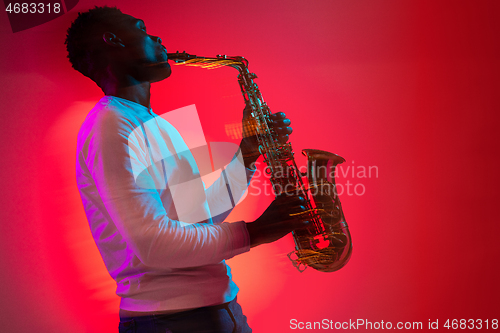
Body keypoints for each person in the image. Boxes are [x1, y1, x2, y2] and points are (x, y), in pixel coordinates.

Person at [66, 6, 307, 333]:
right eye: (143, 29)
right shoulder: (110, 126)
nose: (158, 38)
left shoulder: (155, 125)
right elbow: (155, 245)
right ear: (113, 40)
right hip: (173, 321)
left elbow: (198, 217)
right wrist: (257, 231)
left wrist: (248, 151)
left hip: (216, 310)